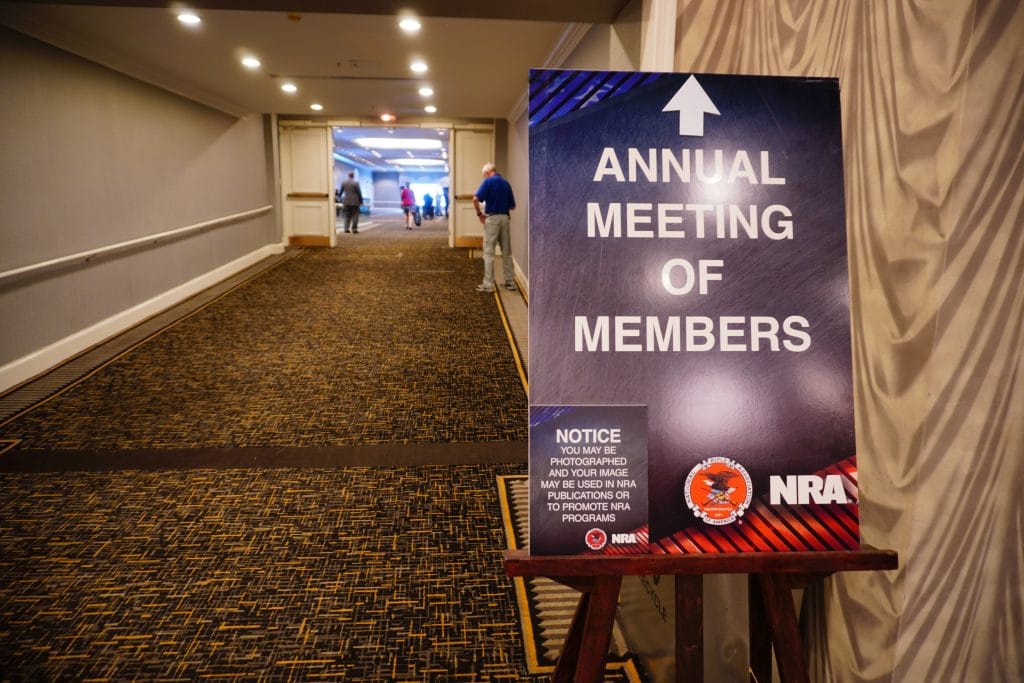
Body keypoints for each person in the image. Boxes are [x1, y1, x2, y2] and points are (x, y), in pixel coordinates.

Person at [472, 162, 516, 293]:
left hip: (492, 219)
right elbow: (512, 206)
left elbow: (475, 199)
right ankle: (510, 282)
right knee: (506, 252)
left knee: (489, 252)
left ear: (487, 173)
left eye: (484, 176)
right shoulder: (506, 183)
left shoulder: (488, 182)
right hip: (505, 218)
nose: (484, 178)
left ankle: (488, 285)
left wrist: (479, 213)